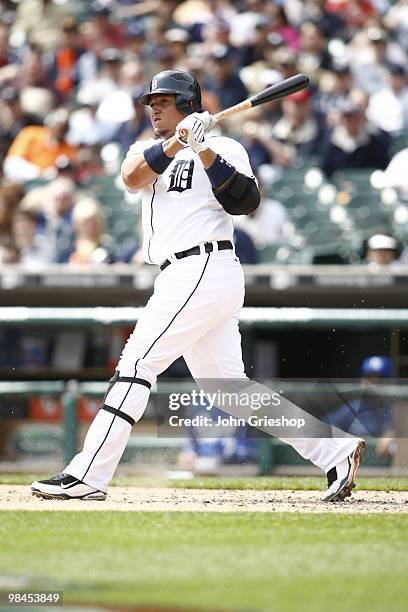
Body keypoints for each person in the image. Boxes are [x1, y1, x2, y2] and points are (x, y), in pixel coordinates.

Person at [31, 69, 365, 503]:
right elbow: (133, 177)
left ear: (187, 102)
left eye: (164, 101)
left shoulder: (224, 146)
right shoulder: (146, 148)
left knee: (137, 364)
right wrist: (177, 141)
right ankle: (335, 451)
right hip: (183, 273)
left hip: (205, 266)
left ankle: (88, 473)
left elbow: (245, 201)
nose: (153, 108)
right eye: (151, 102)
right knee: (230, 389)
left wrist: (203, 148)